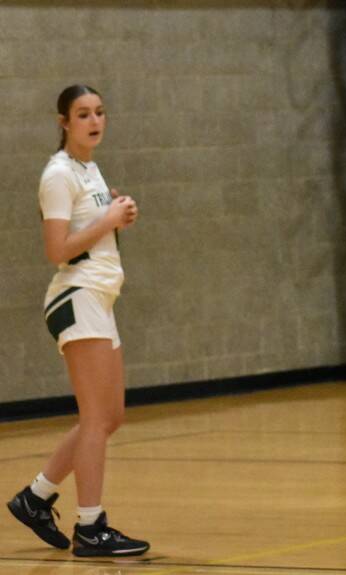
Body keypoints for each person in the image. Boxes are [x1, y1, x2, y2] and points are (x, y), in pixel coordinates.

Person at [6, 85, 150, 557]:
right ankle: (91, 527)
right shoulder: (58, 174)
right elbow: (56, 251)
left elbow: (90, 230)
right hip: (77, 295)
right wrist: (108, 219)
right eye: (83, 114)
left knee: (109, 417)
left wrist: (114, 216)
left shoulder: (90, 168)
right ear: (64, 121)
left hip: (101, 297)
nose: (94, 121)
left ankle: (37, 496)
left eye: (100, 112)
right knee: (94, 417)